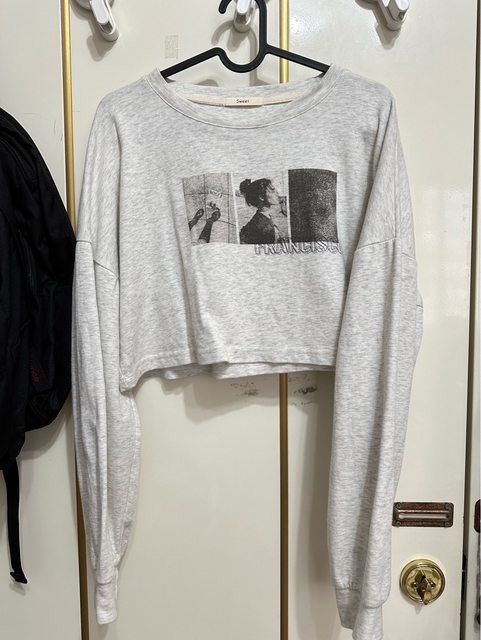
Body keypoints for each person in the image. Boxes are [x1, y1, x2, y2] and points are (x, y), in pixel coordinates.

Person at [238, 178, 287, 244]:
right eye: (272, 191)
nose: (277, 192)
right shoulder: (263, 224)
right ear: (261, 197)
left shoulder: (261, 218)